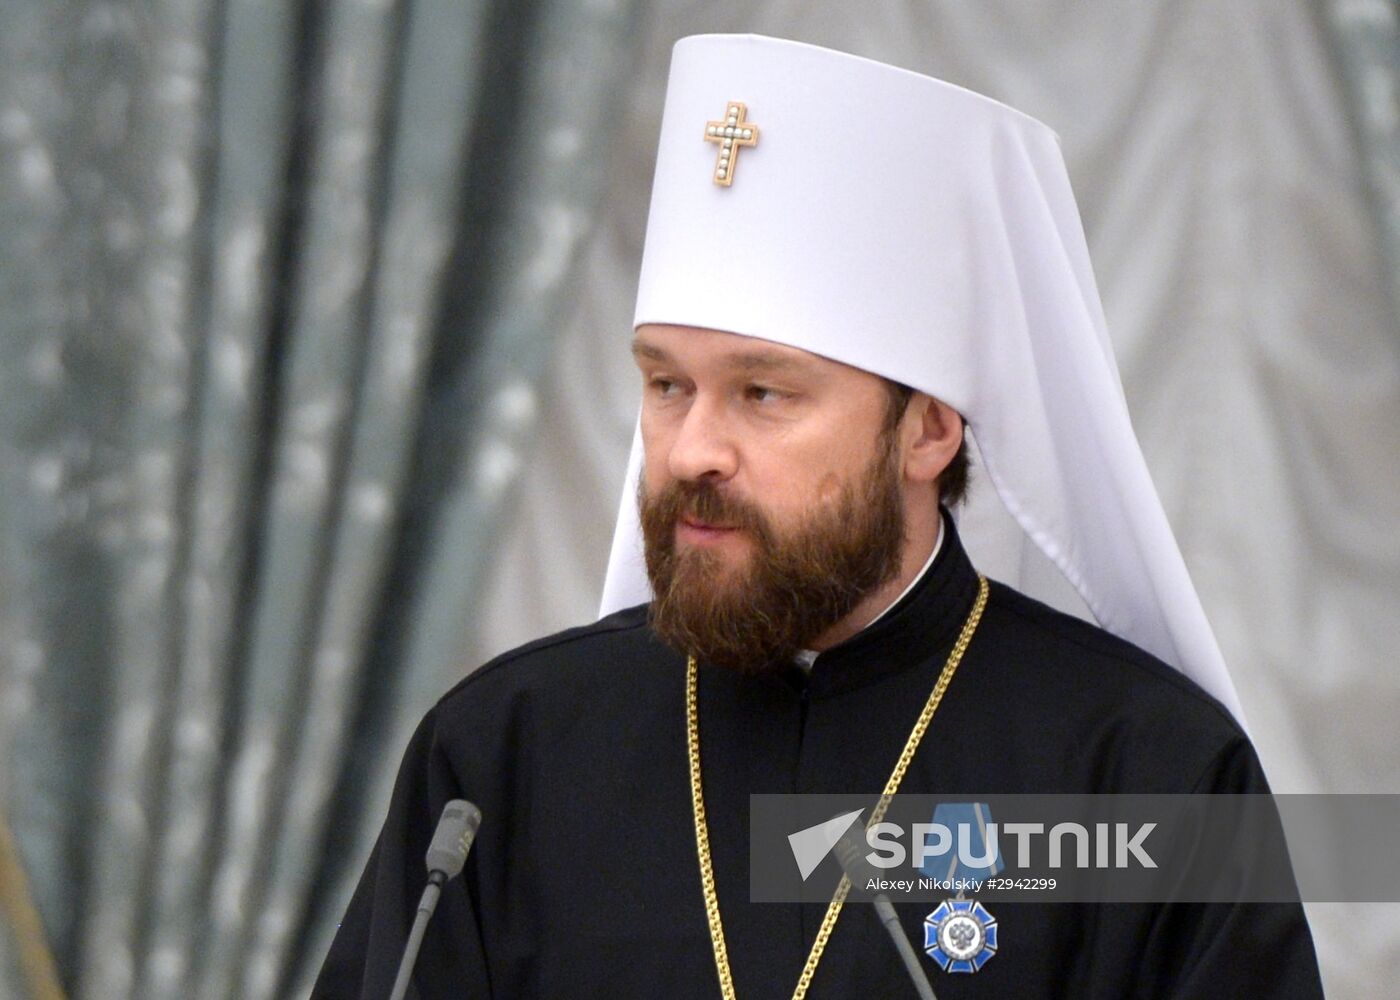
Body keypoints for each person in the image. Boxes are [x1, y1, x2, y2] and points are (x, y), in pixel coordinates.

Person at [313, 35, 1324, 998]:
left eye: (762, 393)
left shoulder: (1146, 776)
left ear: (926, 431)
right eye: (666, 385)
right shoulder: (500, 757)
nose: (691, 448)